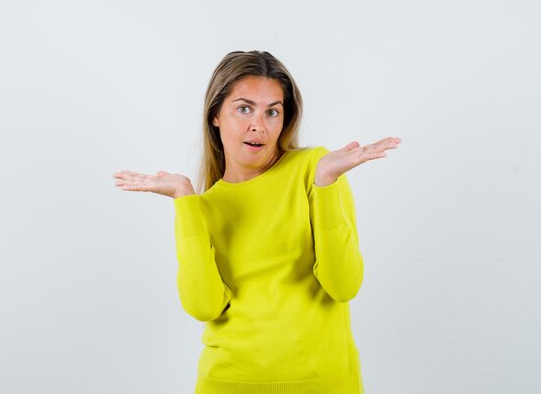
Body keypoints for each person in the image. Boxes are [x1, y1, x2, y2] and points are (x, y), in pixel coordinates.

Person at [113, 50, 401, 394]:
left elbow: (344, 286)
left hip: (324, 382)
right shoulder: (202, 206)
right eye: (244, 108)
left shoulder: (318, 169)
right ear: (215, 115)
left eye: (272, 112)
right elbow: (203, 306)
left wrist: (325, 184)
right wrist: (184, 200)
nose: (258, 125)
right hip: (227, 382)